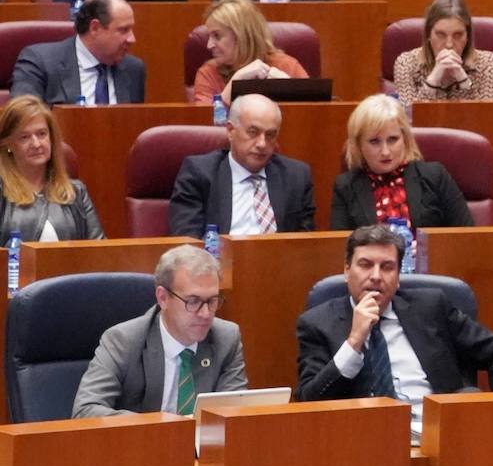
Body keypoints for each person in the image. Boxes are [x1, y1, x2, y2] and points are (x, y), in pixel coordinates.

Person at [296, 224, 493, 441]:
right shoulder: (317, 324)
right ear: (347, 270)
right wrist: (354, 341)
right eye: (365, 265)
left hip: (440, 437)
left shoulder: (431, 307)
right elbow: (308, 401)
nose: (376, 276)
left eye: (387, 267)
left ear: (397, 278)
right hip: (360, 443)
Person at [72, 244, 246, 417]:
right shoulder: (124, 341)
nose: (206, 313)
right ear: (163, 298)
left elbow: (233, 415)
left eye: (212, 300)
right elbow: (85, 411)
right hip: (142, 442)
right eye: (193, 301)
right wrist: (160, 428)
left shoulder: (226, 338)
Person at [168, 94, 316, 238]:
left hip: (279, 261)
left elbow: (304, 245)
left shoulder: (296, 176)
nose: (262, 144)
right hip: (219, 261)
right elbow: (187, 243)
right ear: (231, 130)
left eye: (270, 135)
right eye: (253, 132)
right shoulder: (199, 173)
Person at [330, 94, 473, 230]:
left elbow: (465, 235)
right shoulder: (346, 186)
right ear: (359, 145)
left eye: (393, 139)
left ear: (405, 138)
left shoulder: (435, 176)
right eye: (374, 142)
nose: (385, 151)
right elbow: (341, 248)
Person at [11, 0, 143, 105]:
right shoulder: (39, 62)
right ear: (95, 28)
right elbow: (24, 121)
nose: (132, 39)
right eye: (123, 30)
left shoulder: (133, 69)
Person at [0, 96, 103, 241]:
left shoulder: (76, 192)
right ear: (9, 145)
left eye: (42, 134)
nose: (36, 144)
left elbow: (98, 253)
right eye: (24, 137)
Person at [191, 0, 308, 104]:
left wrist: (291, 90)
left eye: (217, 36)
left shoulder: (286, 66)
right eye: (209, 36)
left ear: (242, 35)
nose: (209, 45)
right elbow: (205, 122)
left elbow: (314, 115)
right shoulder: (209, 74)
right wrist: (234, 83)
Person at [392, 0, 493, 105]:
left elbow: (488, 118)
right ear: (428, 34)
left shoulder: (487, 63)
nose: (449, 44)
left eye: (458, 35)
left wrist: (462, 79)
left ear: (468, 36)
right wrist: (433, 80)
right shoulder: (406, 63)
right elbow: (407, 118)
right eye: (441, 35)